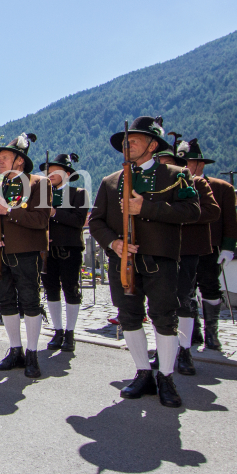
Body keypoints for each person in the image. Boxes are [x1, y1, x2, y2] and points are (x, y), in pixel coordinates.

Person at [88, 116, 201, 408]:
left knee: (164, 318)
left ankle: (166, 376)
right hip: (122, 261)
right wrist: (114, 243)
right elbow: (96, 221)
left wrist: (145, 207)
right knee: (128, 317)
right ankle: (142, 372)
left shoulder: (176, 174)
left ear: (152, 145)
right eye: (126, 141)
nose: (128, 144)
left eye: (135, 140)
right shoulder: (110, 181)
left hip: (160, 259)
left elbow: (192, 211)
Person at [0, 133, 51, 378]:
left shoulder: (39, 184)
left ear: (19, 161)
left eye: (4, 157)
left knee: (30, 303)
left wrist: (9, 212)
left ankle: (32, 354)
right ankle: (15, 350)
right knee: (6, 303)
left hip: (26, 253)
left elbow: (41, 220)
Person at [155, 141, 219, 375]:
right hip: (160, 247)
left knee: (184, 299)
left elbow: (213, 211)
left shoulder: (196, 182)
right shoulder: (153, 185)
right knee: (160, 300)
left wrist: (178, 212)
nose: (163, 168)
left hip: (186, 249)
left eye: (167, 164)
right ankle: (163, 348)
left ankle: (184, 350)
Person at [182, 139, 237, 351]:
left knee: (210, 288)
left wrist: (228, 247)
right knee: (186, 291)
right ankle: (193, 332)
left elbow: (231, 222)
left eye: (188, 162)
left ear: (200, 165)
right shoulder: (175, 184)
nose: (185, 167)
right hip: (184, 248)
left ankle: (212, 333)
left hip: (210, 248)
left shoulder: (222, 188)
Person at [38, 153, 90, 353]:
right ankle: (57, 330)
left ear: (67, 173)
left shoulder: (79, 193)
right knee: (50, 291)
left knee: (71, 289)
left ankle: (70, 332)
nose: (49, 174)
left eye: (54, 171)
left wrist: (54, 213)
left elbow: (78, 220)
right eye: (48, 172)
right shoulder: (43, 194)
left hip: (70, 249)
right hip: (48, 250)